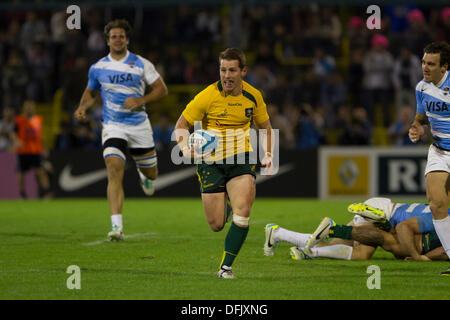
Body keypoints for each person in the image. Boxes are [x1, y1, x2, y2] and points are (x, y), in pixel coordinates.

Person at [174, 48, 273, 279]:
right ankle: (225, 209)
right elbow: (180, 126)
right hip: (211, 162)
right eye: (222, 70)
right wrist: (185, 148)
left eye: (232, 70)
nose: (227, 75)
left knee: (244, 211)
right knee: (216, 224)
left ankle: (226, 267)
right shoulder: (206, 96)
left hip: (242, 157)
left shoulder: (253, 96)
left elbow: (266, 128)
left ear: (243, 71)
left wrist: (268, 154)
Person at [74, 19, 168, 241]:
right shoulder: (98, 67)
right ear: (107, 41)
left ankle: (144, 175)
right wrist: (82, 106)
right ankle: (116, 227)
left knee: (152, 173)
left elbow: (162, 90)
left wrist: (141, 99)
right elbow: (91, 92)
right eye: (113, 36)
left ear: (127, 39)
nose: (118, 39)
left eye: (121, 36)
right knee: (114, 167)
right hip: (113, 125)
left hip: (138, 126)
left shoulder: (141, 64)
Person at [264, 198, 448, 262]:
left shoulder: (444, 214)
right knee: (362, 253)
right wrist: (417, 256)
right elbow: (404, 227)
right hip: (383, 213)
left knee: (338, 244)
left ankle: (278, 233)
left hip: (383, 211)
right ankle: (326, 238)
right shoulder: (442, 218)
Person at [408, 41, 450, 275]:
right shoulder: (421, 88)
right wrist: (417, 127)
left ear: (444, 67)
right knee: (436, 205)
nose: (425, 67)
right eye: (424, 62)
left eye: (431, 64)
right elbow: (420, 117)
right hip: (439, 151)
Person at [11, 100, 51, 198]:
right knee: (21, 173)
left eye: (31, 106)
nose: (29, 108)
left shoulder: (38, 119)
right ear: (23, 108)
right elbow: (13, 133)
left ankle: (47, 193)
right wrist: (16, 141)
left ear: (34, 108)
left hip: (36, 150)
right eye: (27, 106)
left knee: (41, 171)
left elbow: (41, 136)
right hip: (23, 150)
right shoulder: (18, 120)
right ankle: (22, 194)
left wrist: (44, 148)